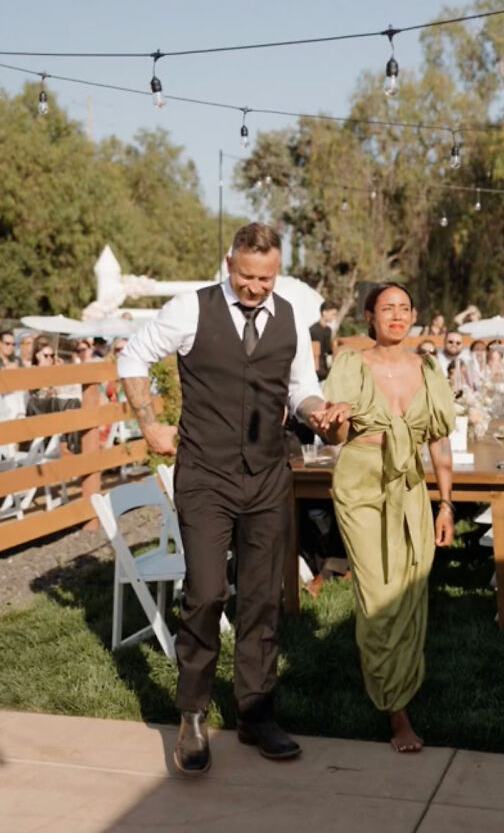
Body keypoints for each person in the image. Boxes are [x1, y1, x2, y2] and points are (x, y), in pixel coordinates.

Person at [118, 222, 349, 775]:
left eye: (266, 278)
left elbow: (299, 388)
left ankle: (255, 712)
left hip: (268, 474)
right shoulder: (189, 309)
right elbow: (131, 358)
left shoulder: (289, 314)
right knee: (204, 591)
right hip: (205, 475)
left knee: (263, 597)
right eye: (247, 276)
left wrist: (317, 410)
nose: (255, 288)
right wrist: (151, 427)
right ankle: (193, 713)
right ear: (229, 263)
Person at [322, 282, 455, 753]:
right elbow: (336, 435)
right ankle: (396, 712)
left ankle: (400, 691)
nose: (397, 315)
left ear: (414, 315)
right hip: (362, 481)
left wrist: (445, 504)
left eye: (404, 308)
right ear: (369, 317)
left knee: (410, 587)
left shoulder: (429, 368)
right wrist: (335, 417)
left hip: (413, 486)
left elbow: (439, 441)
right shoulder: (351, 364)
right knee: (378, 593)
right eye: (387, 308)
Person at [309, 300, 338, 381]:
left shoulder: (328, 330)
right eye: (333, 314)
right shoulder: (313, 330)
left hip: (324, 369)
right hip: (314, 370)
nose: (334, 317)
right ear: (324, 313)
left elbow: (328, 349)